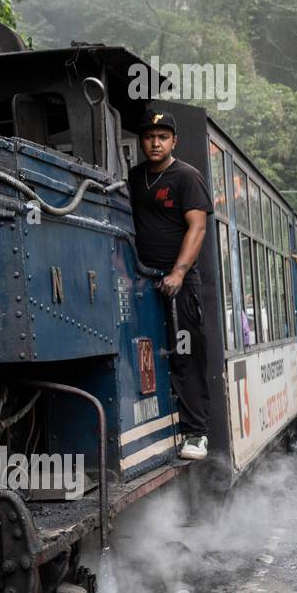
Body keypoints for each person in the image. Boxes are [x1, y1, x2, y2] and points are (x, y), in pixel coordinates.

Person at [128, 111, 213, 460]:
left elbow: (198, 228)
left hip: (179, 282)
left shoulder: (186, 177)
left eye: (163, 136)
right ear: (141, 141)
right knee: (145, 357)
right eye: (149, 136)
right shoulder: (134, 178)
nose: (156, 142)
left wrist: (178, 273)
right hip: (141, 279)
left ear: (173, 141)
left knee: (185, 354)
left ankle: (197, 434)